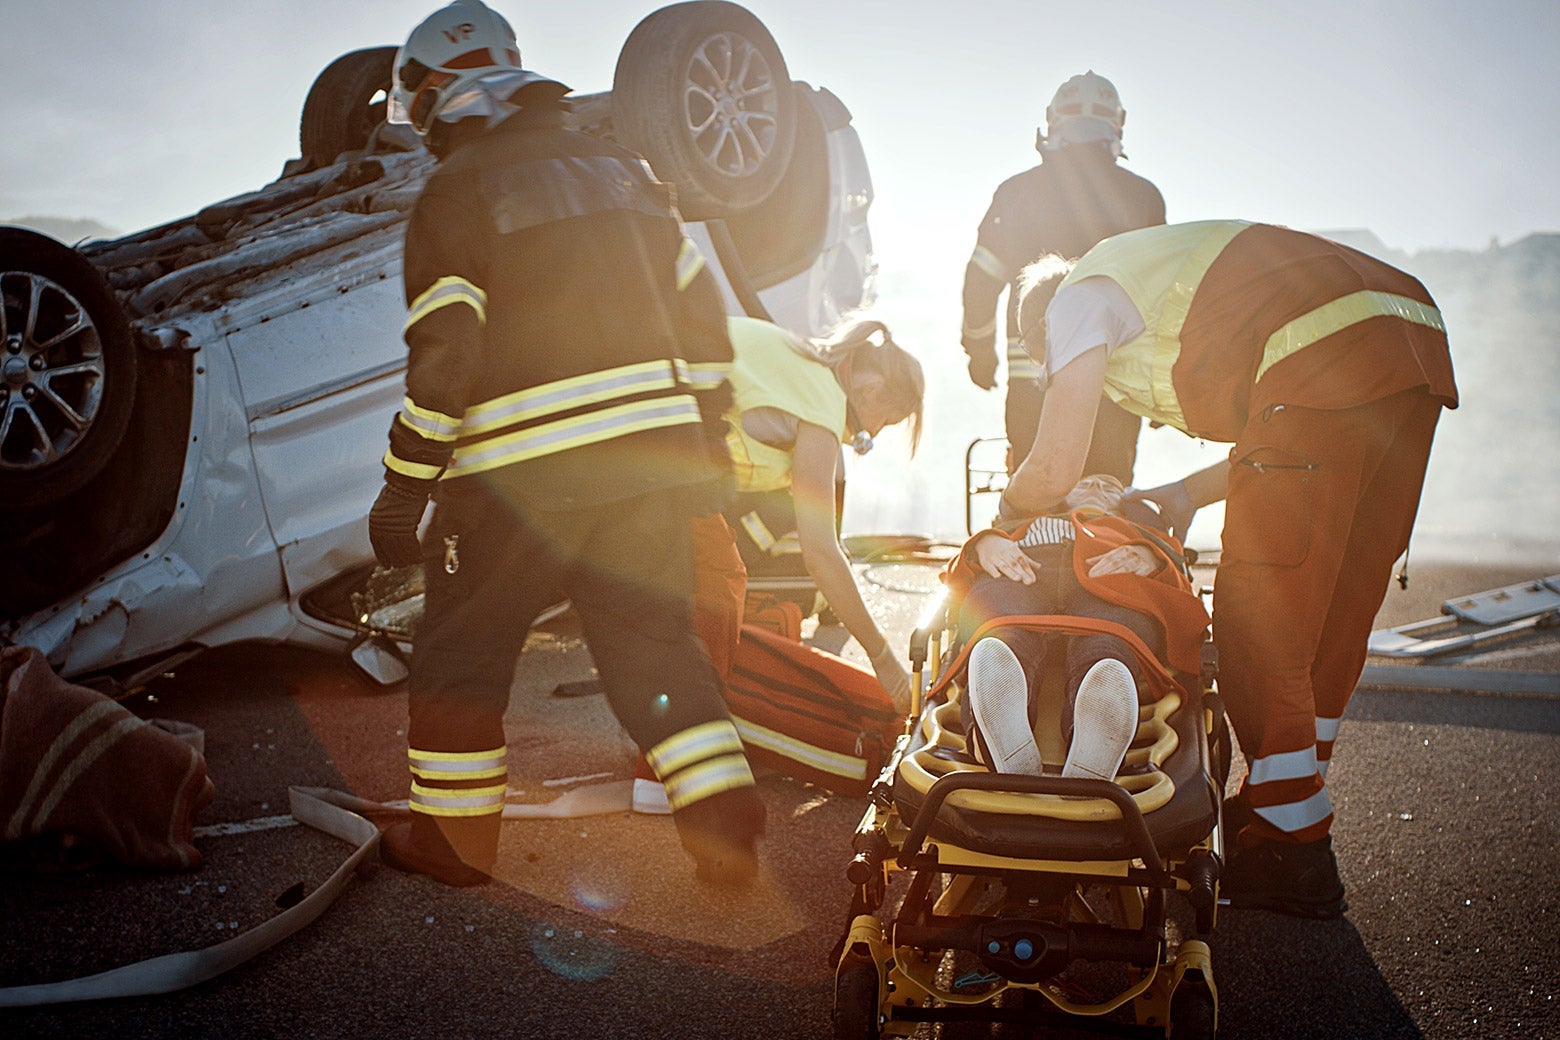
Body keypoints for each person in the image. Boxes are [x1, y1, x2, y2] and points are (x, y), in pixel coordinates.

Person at [366, 0, 762, 887]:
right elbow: (706, 328)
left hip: (515, 481)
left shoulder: (455, 190)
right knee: (654, 644)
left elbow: (447, 352)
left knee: (463, 654)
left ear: (436, 91)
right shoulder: (626, 173)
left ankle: (456, 844)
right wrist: (705, 447)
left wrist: (405, 483)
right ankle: (723, 822)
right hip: (645, 472)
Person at [1005, 220, 1458, 918]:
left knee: (1260, 611)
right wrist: (1184, 494)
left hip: (1319, 353)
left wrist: (1008, 514)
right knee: (1334, 604)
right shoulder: (1162, 284)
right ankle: (1289, 802)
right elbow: (1285, 426)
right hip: (1413, 345)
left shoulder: (1074, 297)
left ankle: (1294, 849)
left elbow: (1055, 464)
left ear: (1041, 334)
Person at [634, 315, 925, 812]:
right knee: (718, 588)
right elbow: (822, 553)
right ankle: (664, 775)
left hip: (634, 425)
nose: (870, 436)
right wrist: (882, 657)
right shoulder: (824, 408)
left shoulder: (798, 354)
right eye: (884, 423)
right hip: (649, 458)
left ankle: (677, 744)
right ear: (871, 388)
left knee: (702, 584)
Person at [960, 71, 1164, 480]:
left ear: (1054, 122)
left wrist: (979, 351)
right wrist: (1159, 382)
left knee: (1035, 491)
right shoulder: (1144, 198)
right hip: (1117, 385)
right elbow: (1160, 296)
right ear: (1116, 124)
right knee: (1105, 497)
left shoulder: (1015, 193)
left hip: (1034, 381)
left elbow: (981, 279)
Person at [943, 475, 1209, 780]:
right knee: (998, 627)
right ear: (1061, 495)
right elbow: (956, 576)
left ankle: (1098, 726)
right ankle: (996, 727)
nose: (1097, 488)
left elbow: (1177, 577)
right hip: (1025, 566)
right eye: (1085, 483)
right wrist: (984, 544)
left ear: (1124, 504)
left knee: (1111, 638)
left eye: (1111, 487)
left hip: (1109, 577)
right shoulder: (1026, 522)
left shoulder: (1140, 533)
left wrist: (1152, 558)